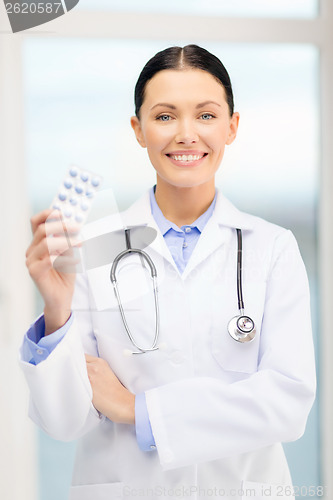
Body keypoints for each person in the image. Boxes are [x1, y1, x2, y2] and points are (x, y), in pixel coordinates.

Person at [20, 45, 316, 500]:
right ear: (138, 130)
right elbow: (64, 421)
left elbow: (287, 404)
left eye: (206, 115)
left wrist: (138, 410)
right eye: (163, 117)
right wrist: (57, 307)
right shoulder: (94, 246)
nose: (185, 134)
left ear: (232, 127)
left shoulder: (272, 248)